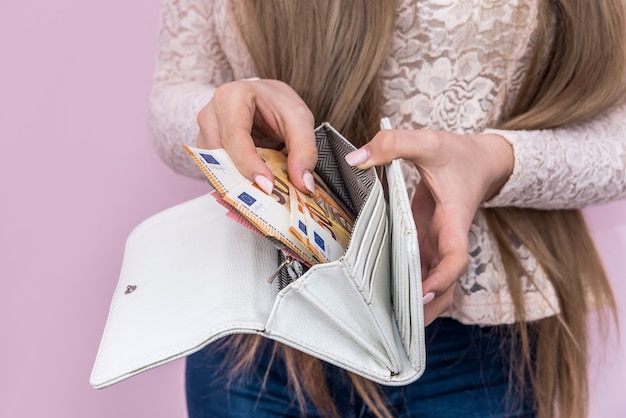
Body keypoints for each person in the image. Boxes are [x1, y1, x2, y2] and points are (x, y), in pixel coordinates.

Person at [150, 1, 626, 417]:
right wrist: (231, 111)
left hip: (477, 341)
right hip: (260, 325)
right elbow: (172, 97)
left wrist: (495, 160)